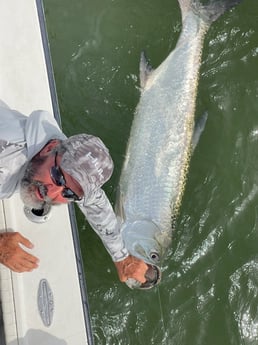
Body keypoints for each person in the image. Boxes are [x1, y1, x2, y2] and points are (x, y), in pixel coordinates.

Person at [0, 100, 148, 284]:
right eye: (58, 177)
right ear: (49, 149)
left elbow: (96, 203)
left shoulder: (59, 153)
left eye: (69, 193)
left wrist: (122, 258)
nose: (53, 193)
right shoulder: (6, 155)